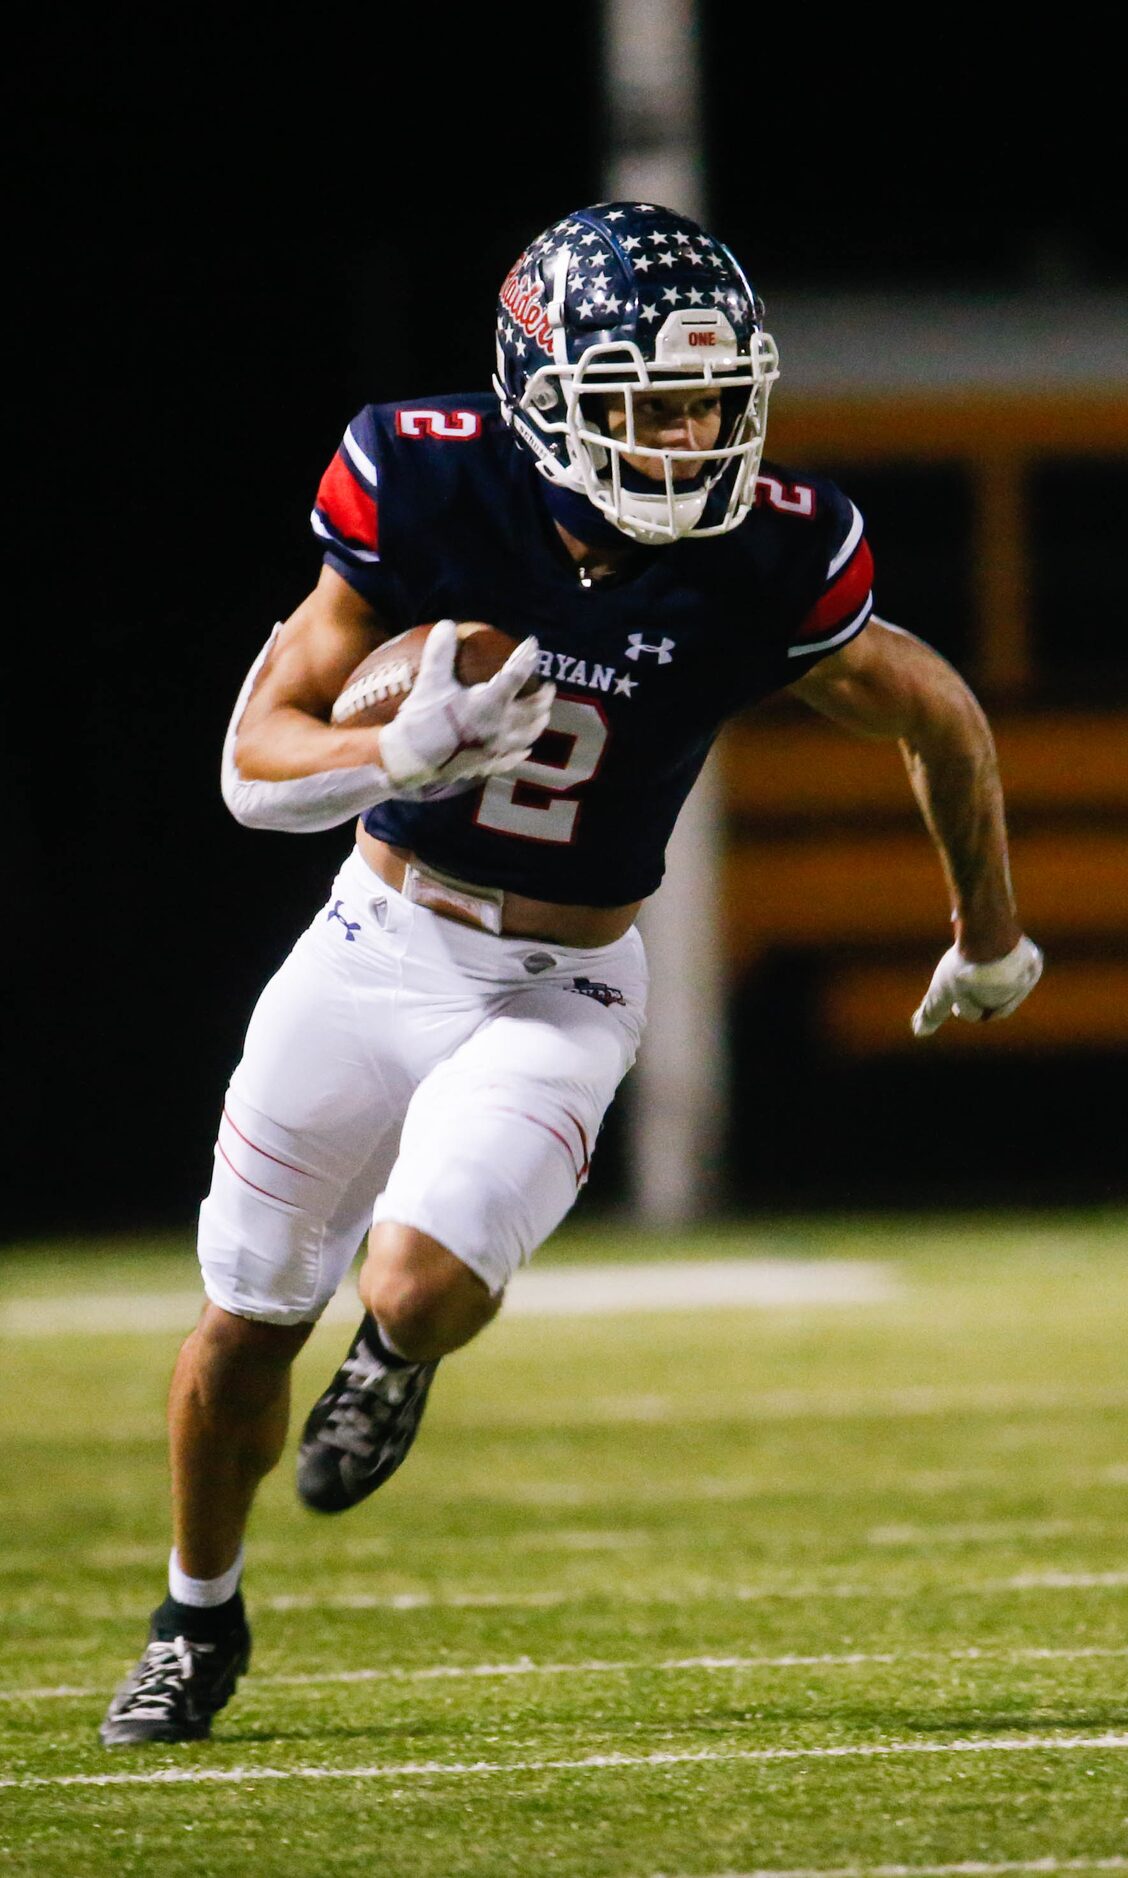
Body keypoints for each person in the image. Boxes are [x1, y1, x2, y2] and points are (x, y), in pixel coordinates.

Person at [99, 201, 1043, 1747]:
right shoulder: (426, 477)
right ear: (539, 401)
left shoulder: (769, 552)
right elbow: (249, 768)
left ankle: (396, 1359)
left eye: (712, 400)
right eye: (648, 404)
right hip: (376, 938)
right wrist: (387, 749)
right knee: (243, 1322)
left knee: (410, 1278)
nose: (688, 437)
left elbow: (941, 711)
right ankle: (196, 1613)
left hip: (565, 980)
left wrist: (990, 932)